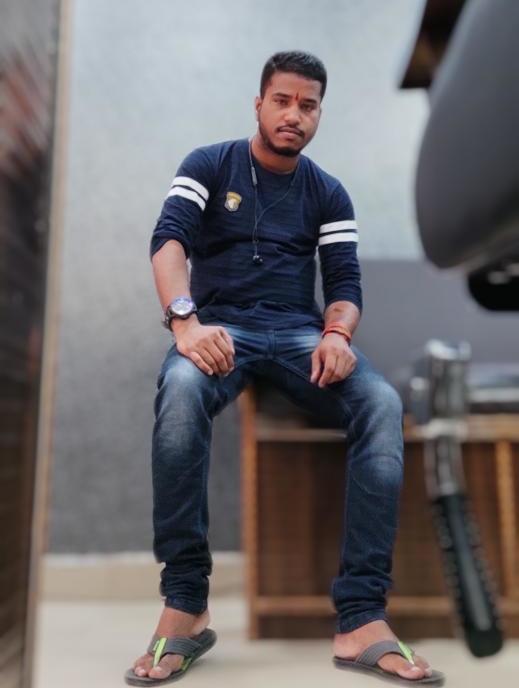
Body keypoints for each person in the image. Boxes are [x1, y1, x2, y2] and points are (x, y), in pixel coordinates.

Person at [124, 51, 443, 686]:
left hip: (299, 333)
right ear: (259, 104)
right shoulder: (209, 164)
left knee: (380, 403)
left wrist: (336, 333)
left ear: (319, 113)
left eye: (308, 105)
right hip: (221, 327)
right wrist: (185, 323)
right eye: (282, 101)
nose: (294, 114)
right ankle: (186, 604)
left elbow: (345, 283)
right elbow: (169, 241)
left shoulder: (328, 191)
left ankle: (361, 618)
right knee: (181, 389)